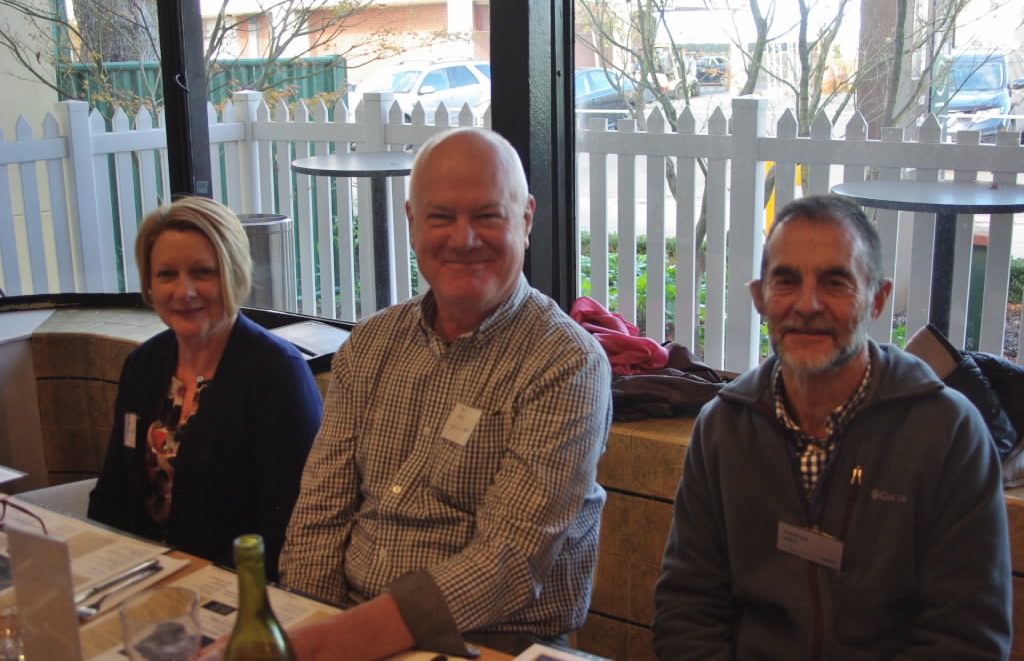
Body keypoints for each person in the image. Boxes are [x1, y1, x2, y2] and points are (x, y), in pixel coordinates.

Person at [275, 128, 612, 661]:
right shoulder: (372, 342)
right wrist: (306, 620)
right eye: (441, 217)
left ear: (526, 219)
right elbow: (320, 511)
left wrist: (324, 644)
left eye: (487, 215)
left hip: (490, 641)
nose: (463, 238)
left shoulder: (565, 362)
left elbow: (508, 562)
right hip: (342, 624)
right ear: (412, 223)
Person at [653, 194, 1012, 660]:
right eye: (787, 281)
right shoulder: (723, 428)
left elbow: (966, 639)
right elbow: (687, 609)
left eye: (835, 282)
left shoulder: (948, 433)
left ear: (877, 299)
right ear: (760, 298)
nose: (807, 304)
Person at [88, 196, 322, 580]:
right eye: (166, 274)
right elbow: (113, 491)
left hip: (231, 585)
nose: (184, 291)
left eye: (202, 272)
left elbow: (289, 525)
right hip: (135, 576)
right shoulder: (143, 363)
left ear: (234, 276)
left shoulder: (277, 373)